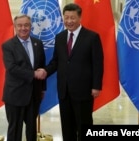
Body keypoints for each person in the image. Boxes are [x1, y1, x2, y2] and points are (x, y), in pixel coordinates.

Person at [36, 3, 104, 141]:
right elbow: (56, 61)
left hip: (83, 91)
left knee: (84, 126)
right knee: (67, 128)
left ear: (80, 18)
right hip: (64, 91)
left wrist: (96, 86)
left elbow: (98, 63)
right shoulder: (60, 37)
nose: (69, 21)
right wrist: (45, 71)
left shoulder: (92, 37)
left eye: (72, 18)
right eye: (66, 18)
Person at [1, 14, 46, 141]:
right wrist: (33, 74)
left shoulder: (38, 43)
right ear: (15, 27)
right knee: (15, 129)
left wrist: (43, 88)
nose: (23, 28)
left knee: (32, 129)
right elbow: (12, 68)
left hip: (34, 95)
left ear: (31, 26)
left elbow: (41, 66)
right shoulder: (8, 46)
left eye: (26, 25)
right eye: (19, 25)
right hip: (15, 95)